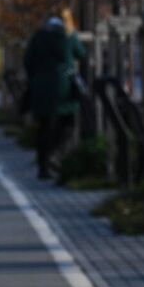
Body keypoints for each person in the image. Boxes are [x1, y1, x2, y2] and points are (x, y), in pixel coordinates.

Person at [23, 14, 85, 180]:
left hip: (40, 88)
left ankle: (43, 167)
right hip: (63, 87)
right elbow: (82, 54)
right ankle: (56, 153)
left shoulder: (37, 38)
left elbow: (27, 61)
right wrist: (69, 70)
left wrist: (35, 77)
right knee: (68, 123)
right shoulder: (68, 36)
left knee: (44, 128)